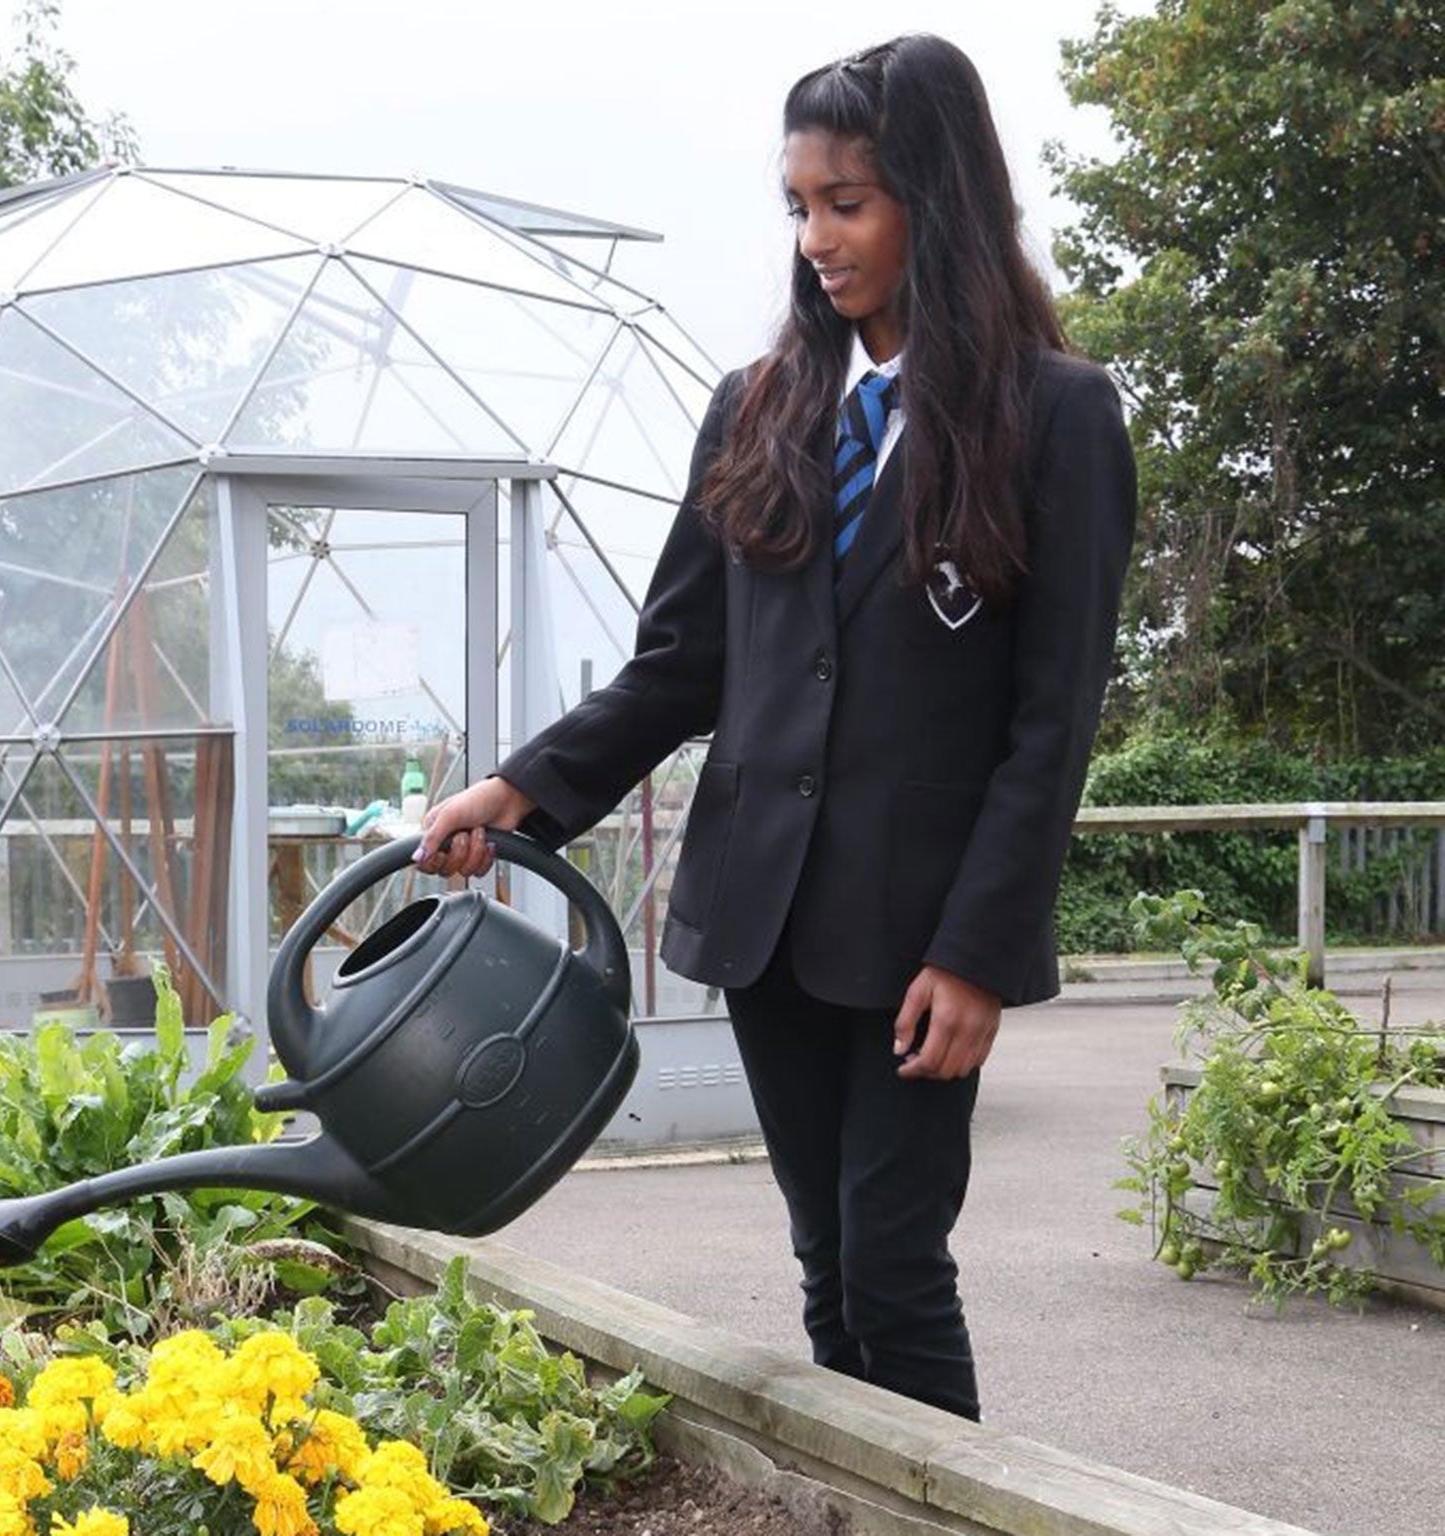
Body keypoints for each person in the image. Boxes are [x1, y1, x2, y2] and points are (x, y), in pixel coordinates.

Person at [413, 34, 1135, 1422]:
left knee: (894, 1259)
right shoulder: (758, 409)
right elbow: (682, 665)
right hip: (765, 914)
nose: (814, 238)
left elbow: (1054, 726)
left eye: (846, 202)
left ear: (940, 197)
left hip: (924, 938)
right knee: (825, 1266)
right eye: (797, 206)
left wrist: (979, 953)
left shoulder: (1054, 416)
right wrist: (517, 789)